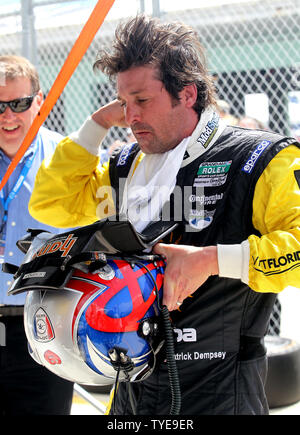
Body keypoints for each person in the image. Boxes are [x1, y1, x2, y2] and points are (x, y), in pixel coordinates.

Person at [28, 15, 300, 415]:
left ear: (187, 94)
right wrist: (97, 123)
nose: (131, 115)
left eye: (142, 100)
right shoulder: (125, 165)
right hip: (131, 388)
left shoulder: (259, 158)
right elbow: (51, 203)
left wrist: (212, 261)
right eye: (123, 102)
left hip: (219, 390)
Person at [0, 55, 74, 415]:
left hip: (45, 323)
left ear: (40, 100)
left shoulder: (66, 159)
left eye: (19, 103)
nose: (8, 116)